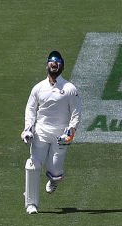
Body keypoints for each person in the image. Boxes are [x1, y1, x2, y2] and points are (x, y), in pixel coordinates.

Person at [22, 49, 83, 214]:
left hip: (60, 135)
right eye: (51, 61)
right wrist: (28, 129)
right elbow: (31, 109)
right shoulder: (38, 88)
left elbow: (76, 111)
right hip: (41, 132)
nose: (54, 64)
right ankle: (31, 204)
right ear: (47, 65)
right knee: (33, 164)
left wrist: (71, 131)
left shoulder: (69, 88)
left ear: (61, 66)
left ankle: (54, 179)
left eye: (57, 62)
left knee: (55, 171)